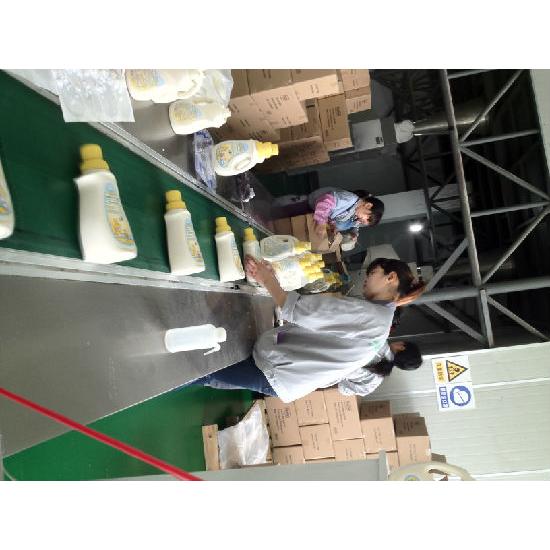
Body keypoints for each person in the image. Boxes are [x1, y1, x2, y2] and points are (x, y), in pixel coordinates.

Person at [185, 257, 425, 402]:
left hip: (277, 371)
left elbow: (300, 310)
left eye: (372, 273)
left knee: (200, 371)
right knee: (211, 377)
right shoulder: (380, 322)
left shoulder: (372, 317)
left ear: (390, 278)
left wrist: (266, 278)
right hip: (283, 374)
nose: (366, 279)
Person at [272, 187, 385, 245]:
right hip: (306, 204)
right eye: (365, 218)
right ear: (368, 205)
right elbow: (324, 202)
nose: (361, 220)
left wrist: (332, 224)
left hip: (312, 211)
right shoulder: (349, 199)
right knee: (277, 212)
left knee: (281, 223)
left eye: (363, 222)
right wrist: (321, 223)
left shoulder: (353, 210)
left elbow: (333, 214)